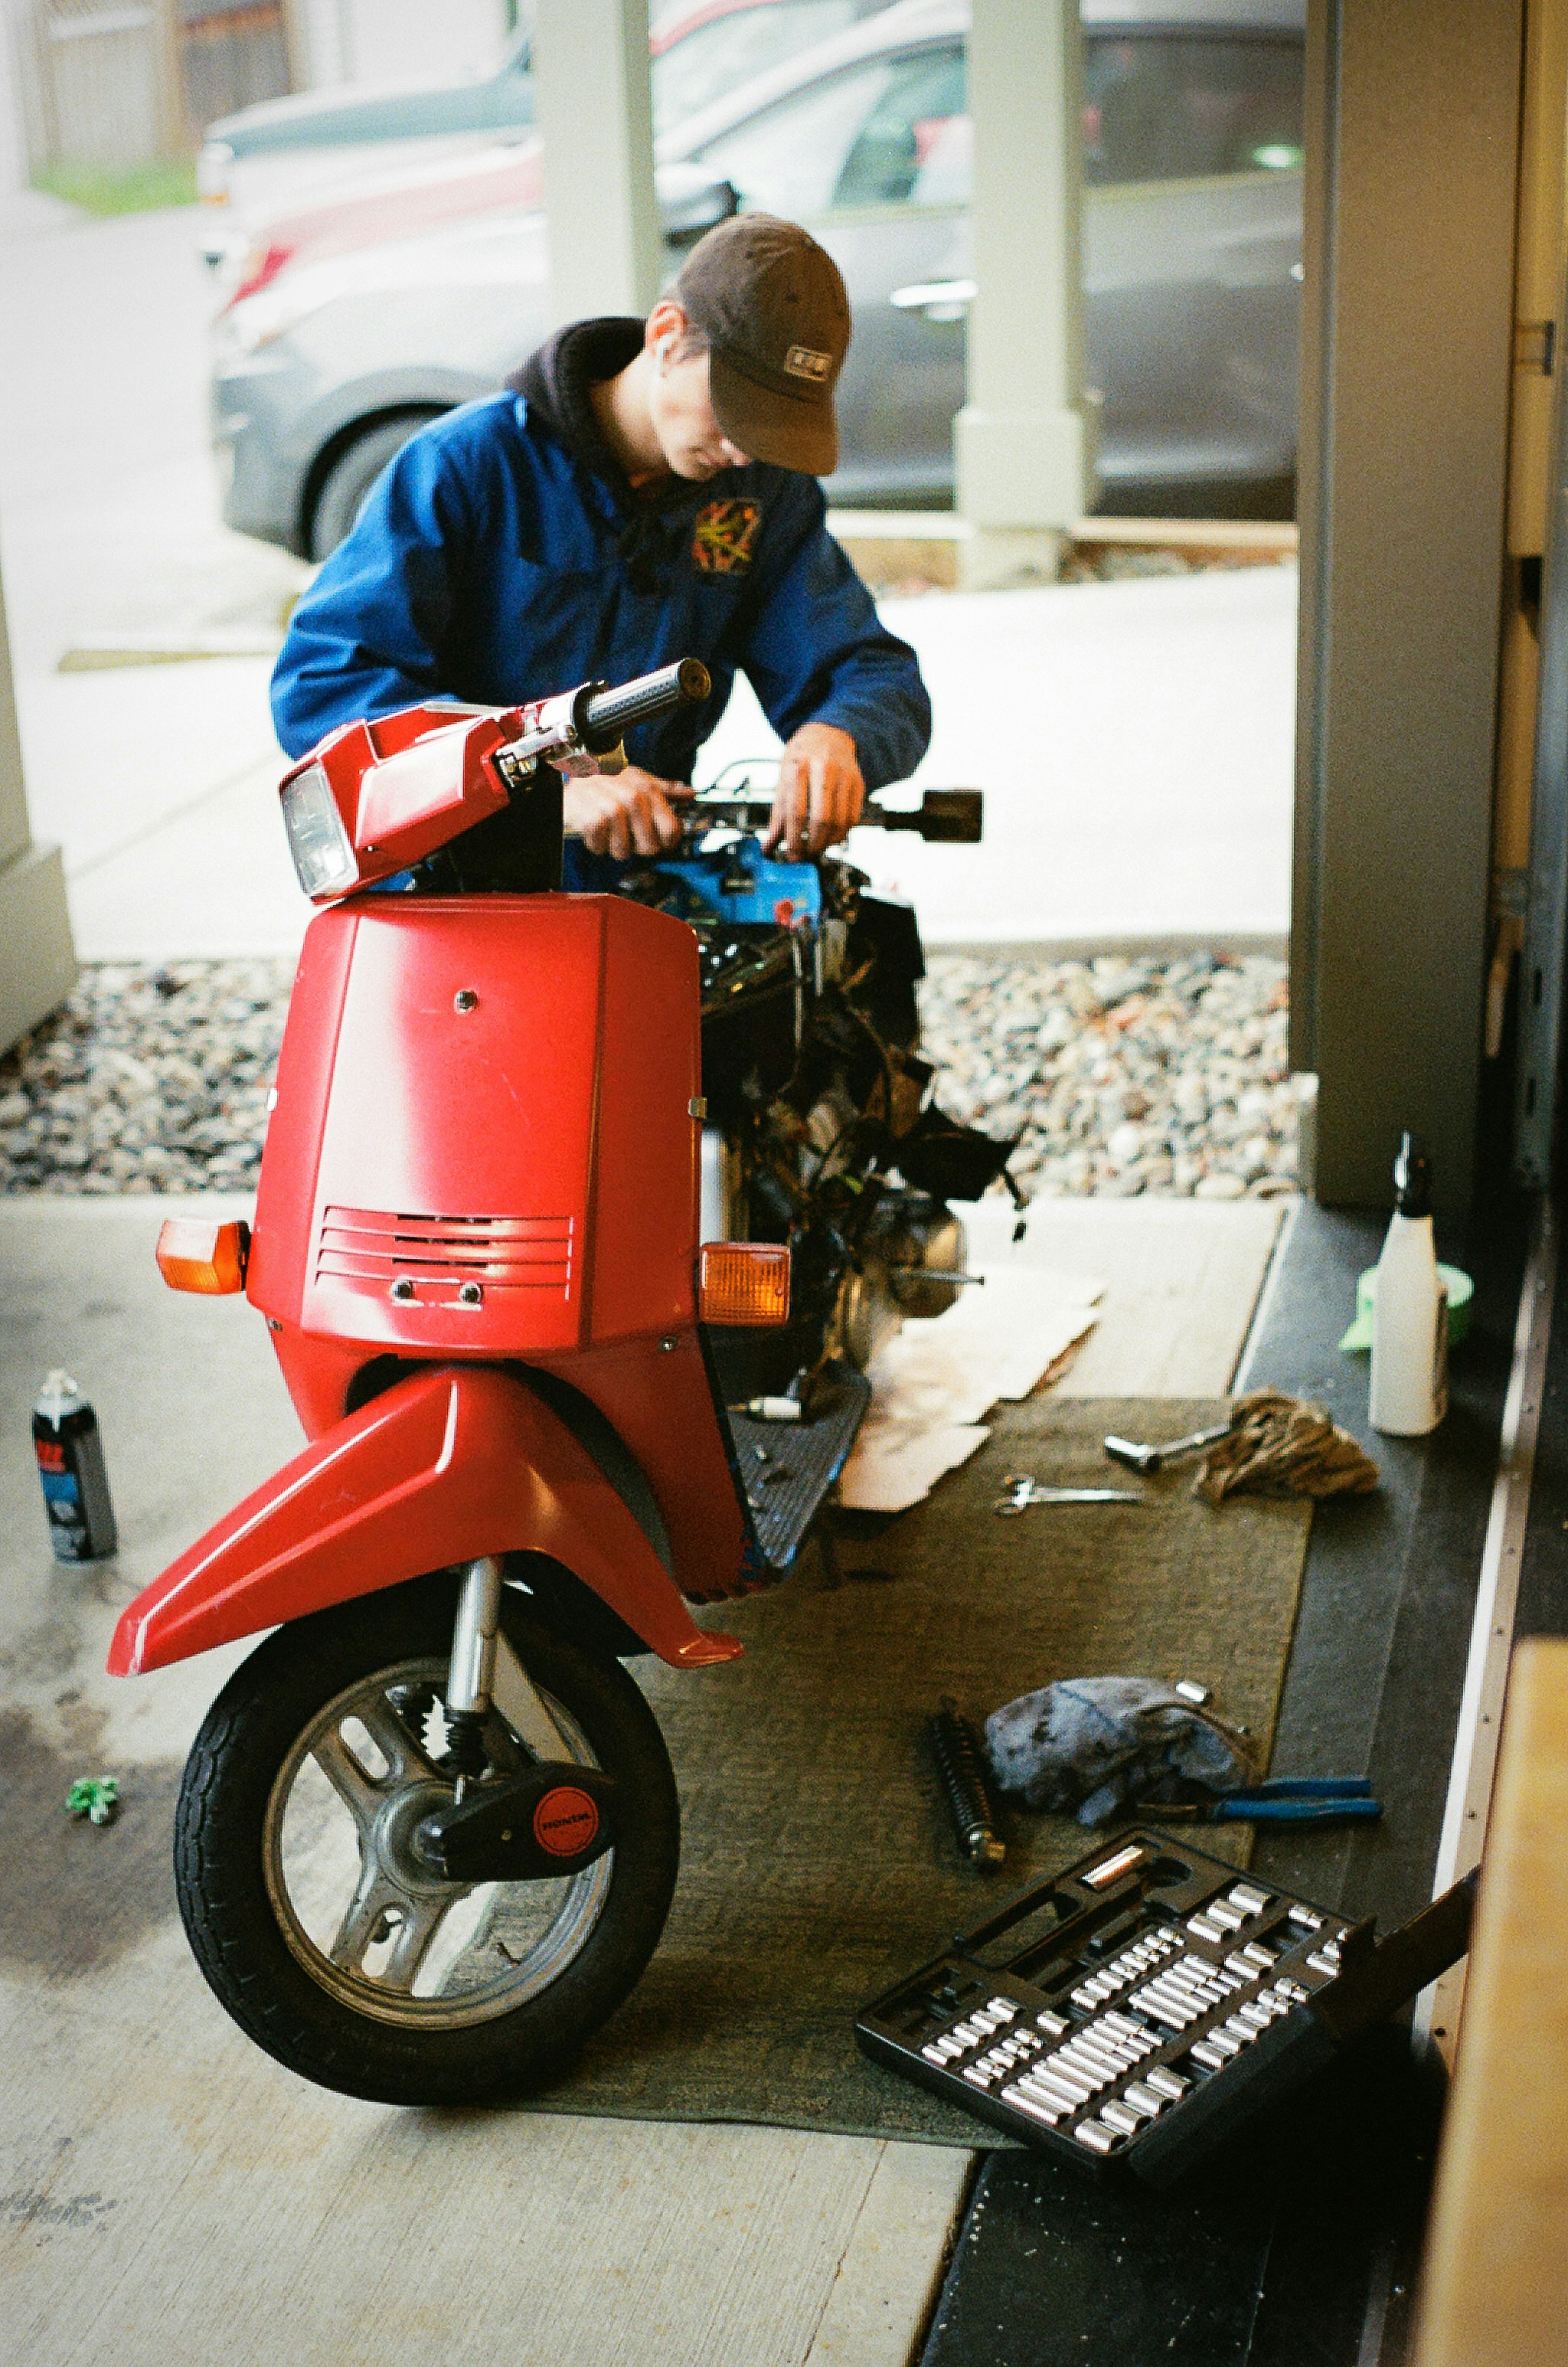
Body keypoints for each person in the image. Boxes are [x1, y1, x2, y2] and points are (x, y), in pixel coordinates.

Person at [270, 212, 931, 881]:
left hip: (645, 880)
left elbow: (870, 673)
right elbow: (326, 684)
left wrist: (838, 734)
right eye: (734, 411)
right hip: (460, 885)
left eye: (775, 425)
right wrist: (535, 783)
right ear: (668, 337)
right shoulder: (467, 467)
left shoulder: (762, 494)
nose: (743, 447)